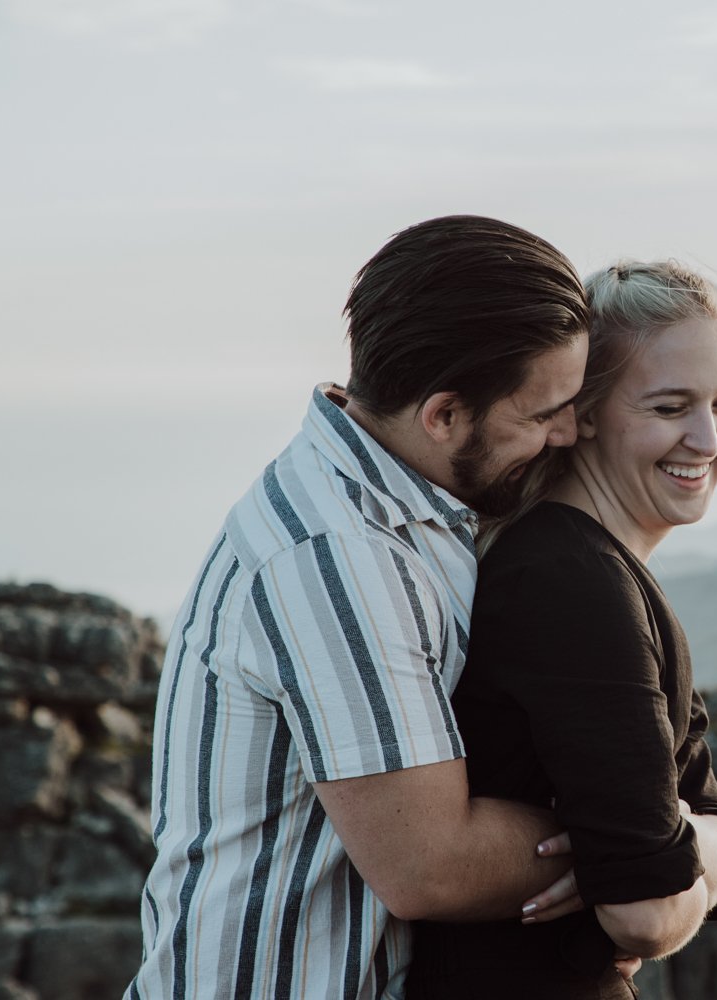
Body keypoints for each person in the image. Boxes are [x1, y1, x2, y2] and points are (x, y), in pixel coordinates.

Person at [127, 216, 598, 999]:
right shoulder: (337, 555)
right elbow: (431, 865)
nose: (569, 433)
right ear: (443, 415)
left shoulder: (407, 493)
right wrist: (638, 839)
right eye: (542, 413)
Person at [406, 261, 717, 998]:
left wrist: (691, 841)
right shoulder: (573, 585)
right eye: (668, 407)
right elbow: (649, 914)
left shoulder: (583, 566)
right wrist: (689, 854)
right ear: (583, 413)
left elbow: (695, 818)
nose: (707, 437)